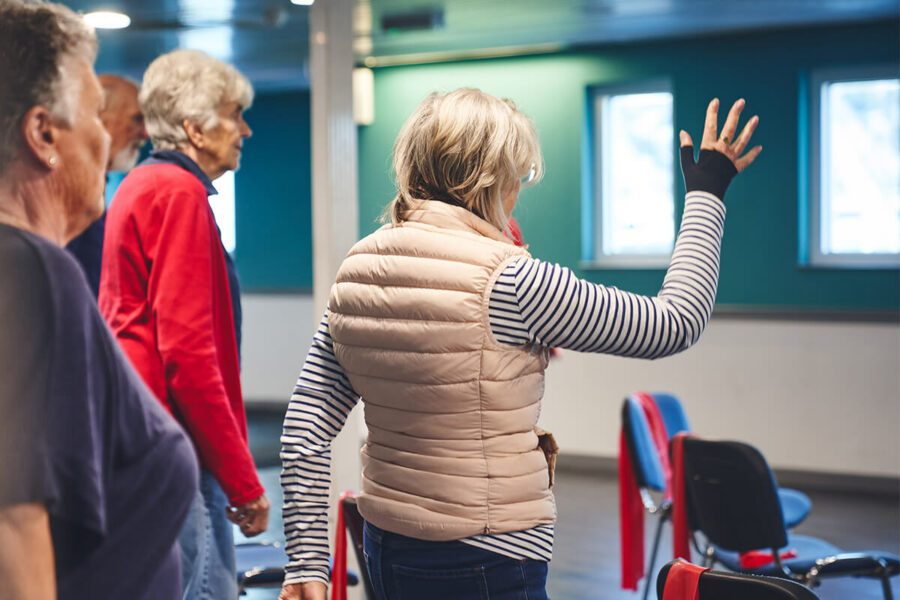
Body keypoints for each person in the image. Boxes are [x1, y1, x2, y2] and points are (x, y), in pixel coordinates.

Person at [279, 88, 761, 599]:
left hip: (387, 546)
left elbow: (306, 424)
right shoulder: (510, 280)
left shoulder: (358, 270)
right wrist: (707, 192)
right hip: (488, 555)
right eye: (521, 174)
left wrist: (307, 563)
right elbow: (675, 322)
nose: (519, 191)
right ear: (493, 176)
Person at [0, 2, 198, 599]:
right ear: (43, 134)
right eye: (93, 112)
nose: (107, 134)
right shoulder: (32, 271)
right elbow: (13, 520)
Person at [99, 48, 269, 600]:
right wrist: (245, 485)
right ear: (195, 128)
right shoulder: (178, 194)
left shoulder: (144, 185)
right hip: (175, 449)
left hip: (146, 438)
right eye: (233, 114)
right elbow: (189, 357)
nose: (244, 129)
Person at [66, 74, 149, 297]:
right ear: (100, 117)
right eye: (136, 119)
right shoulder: (67, 191)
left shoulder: (97, 193)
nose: (146, 133)